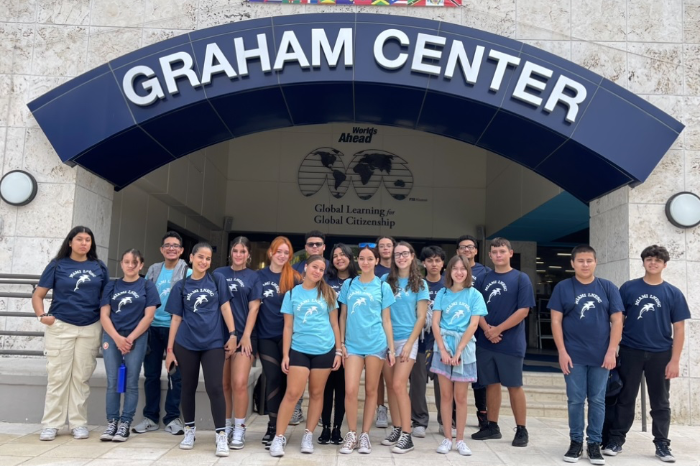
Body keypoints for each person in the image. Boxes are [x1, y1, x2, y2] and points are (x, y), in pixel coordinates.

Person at [603, 245, 690, 462]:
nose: (653, 263)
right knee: (625, 398)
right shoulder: (629, 288)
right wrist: (612, 349)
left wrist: (675, 360)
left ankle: (662, 444)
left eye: (657, 260)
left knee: (660, 402)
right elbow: (617, 320)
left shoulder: (673, 293)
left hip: (661, 354)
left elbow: (679, 328)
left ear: (664, 265)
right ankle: (616, 440)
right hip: (631, 350)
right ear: (643, 262)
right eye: (649, 259)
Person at [33, 226, 110, 441]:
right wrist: (42, 316)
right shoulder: (57, 265)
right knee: (58, 377)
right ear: (70, 242)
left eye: (88, 239)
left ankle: (78, 423)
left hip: (90, 326)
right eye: (79, 239)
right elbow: (38, 295)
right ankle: (51, 423)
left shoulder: (99, 267)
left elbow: (106, 298)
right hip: (61, 326)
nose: (84, 243)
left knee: (81, 377)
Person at [548, 244, 623, 465]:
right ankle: (575, 442)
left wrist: (612, 351)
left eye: (589, 260)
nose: (585, 264)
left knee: (598, 400)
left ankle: (594, 445)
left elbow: (618, 320)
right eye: (580, 261)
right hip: (573, 355)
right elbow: (555, 320)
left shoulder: (608, 287)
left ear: (595, 262)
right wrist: (561, 351)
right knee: (575, 401)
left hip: (601, 356)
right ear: (572, 263)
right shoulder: (563, 287)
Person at [164, 242, 236, 457]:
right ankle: (189, 430)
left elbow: (225, 307)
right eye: (201, 257)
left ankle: (221, 435)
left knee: (215, 387)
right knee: (188, 386)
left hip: (213, 342)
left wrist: (233, 334)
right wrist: (170, 350)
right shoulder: (181, 286)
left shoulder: (217, 280)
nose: (204, 262)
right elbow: (176, 318)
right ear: (192, 258)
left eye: (208, 259)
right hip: (186, 343)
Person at [269, 256, 343, 457]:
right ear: (306, 267)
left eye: (321, 269)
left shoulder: (328, 293)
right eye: (315, 267)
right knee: (292, 393)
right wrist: (285, 354)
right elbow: (288, 327)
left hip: (324, 349)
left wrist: (338, 350)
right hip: (299, 349)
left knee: (317, 394)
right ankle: (279, 437)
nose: (318, 271)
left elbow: (335, 324)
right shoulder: (292, 294)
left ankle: (308, 435)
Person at [472, 238, 535, 447]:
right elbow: (476, 306)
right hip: (485, 341)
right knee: (491, 384)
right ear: (489, 256)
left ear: (510, 253)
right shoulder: (483, 278)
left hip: (510, 342)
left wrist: (497, 330)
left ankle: (521, 429)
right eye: (494, 252)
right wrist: (487, 330)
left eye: (502, 251)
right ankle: (492, 426)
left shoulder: (520, 278)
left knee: (514, 385)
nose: (498, 255)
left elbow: (523, 310)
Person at [339, 245, 396, 455]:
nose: (365, 262)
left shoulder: (383, 287)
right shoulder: (349, 284)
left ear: (376, 261)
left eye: (369, 259)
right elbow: (343, 315)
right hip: (353, 345)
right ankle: (352, 433)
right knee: (351, 390)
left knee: (372, 390)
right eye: (361, 259)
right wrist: (342, 344)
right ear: (357, 261)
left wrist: (390, 348)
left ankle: (365, 435)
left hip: (376, 343)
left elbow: (387, 320)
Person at [99, 249, 160, 442]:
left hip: (137, 337)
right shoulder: (112, 285)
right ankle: (112, 422)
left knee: (132, 382)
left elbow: (149, 316)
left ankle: (125, 422)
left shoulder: (147, 286)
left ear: (141, 265)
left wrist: (131, 338)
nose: (131, 265)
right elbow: (104, 315)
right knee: (113, 381)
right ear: (121, 263)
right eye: (127, 261)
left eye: (135, 262)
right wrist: (117, 338)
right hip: (112, 336)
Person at [133, 231, 190, 435]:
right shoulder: (154, 271)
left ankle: (173, 418)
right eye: (167, 245)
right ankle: (150, 417)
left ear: (182, 250)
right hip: (152, 328)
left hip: (176, 329)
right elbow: (144, 296)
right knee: (151, 374)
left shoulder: (187, 273)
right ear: (161, 249)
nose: (171, 248)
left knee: (176, 375)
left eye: (175, 245)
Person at [430, 254, 487, 457]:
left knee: (460, 397)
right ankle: (447, 437)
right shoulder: (442, 294)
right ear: (449, 271)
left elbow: (473, 324)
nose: (459, 272)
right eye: (455, 268)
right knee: (445, 396)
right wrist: (444, 350)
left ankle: (460, 439)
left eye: (463, 268)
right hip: (443, 346)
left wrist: (460, 350)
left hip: (465, 348)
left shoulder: (474, 295)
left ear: (468, 271)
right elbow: (435, 323)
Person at [380, 242, 429, 454]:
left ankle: (407, 436)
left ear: (412, 256)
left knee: (400, 384)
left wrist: (410, 343)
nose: (400, 257)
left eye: (404, 253)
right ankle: (398, 427)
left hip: (408, 339)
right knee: (391, 385)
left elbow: (421, 318)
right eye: (397, 254)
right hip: (386, 339)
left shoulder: (420, 283)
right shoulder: (385, 280)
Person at [213, 237, 262, 450]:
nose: (239, 254)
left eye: (243, 251)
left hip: (244, 337)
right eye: (235, 250)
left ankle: (240, 427)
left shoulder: (254, 277)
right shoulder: (218, 274)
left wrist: (245, 336)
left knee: (240, 383)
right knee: (223, 385)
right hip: (219, 337)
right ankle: (225, 427)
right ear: (230, 252)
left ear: (248, 254)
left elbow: (254, 308)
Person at [257, 237, 302, 447]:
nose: (282, 255)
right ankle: (272, 426)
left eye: (286, 252)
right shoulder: (258, 276)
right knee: (273, 378)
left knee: (287, 383)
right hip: (266, 336)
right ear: (271, 253)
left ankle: (280, 428)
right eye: (279, 252)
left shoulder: (294, 278)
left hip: (290, 339)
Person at [318, 244, 358, 445]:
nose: (339, 258)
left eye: (343, 255)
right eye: (335, 256)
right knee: (326, 387)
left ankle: (337, 429)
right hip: (326, 340)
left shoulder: (357, 282)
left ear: (350, 258)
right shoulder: (325, 280)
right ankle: (325, 427)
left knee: (342, 388)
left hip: (349, 341)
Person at [412, 246, 449, 437]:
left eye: (437, 260)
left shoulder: (449, 285)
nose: (434, 264)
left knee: (442, 383)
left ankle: (445, 421)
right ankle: (419, 421)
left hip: (443, 343)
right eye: (430, 260)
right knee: (417, 383)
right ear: (423, 263)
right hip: (420, 341)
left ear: (443, 263)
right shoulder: (417, 284)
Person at [457, 234, 491, 429]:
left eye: (470, 247)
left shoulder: (485, 272)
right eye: (462, 247)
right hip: (456, 330)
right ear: (457, 251)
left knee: (479, 377)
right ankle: (453, 415)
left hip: (478, 332)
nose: (466, 250)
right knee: (455, 375)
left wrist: (486, 328)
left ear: (476, 251)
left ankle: (482, 414)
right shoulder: (452, 270)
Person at [374, 235, 396, 428]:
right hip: (376, 329)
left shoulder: (400, 268)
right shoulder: (374, 270)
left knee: (395, 378)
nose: (386, 248)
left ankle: (399, 412)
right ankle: (381, 408)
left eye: (389, 245)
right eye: (382, 246)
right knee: (379, 374)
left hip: (400, 329)